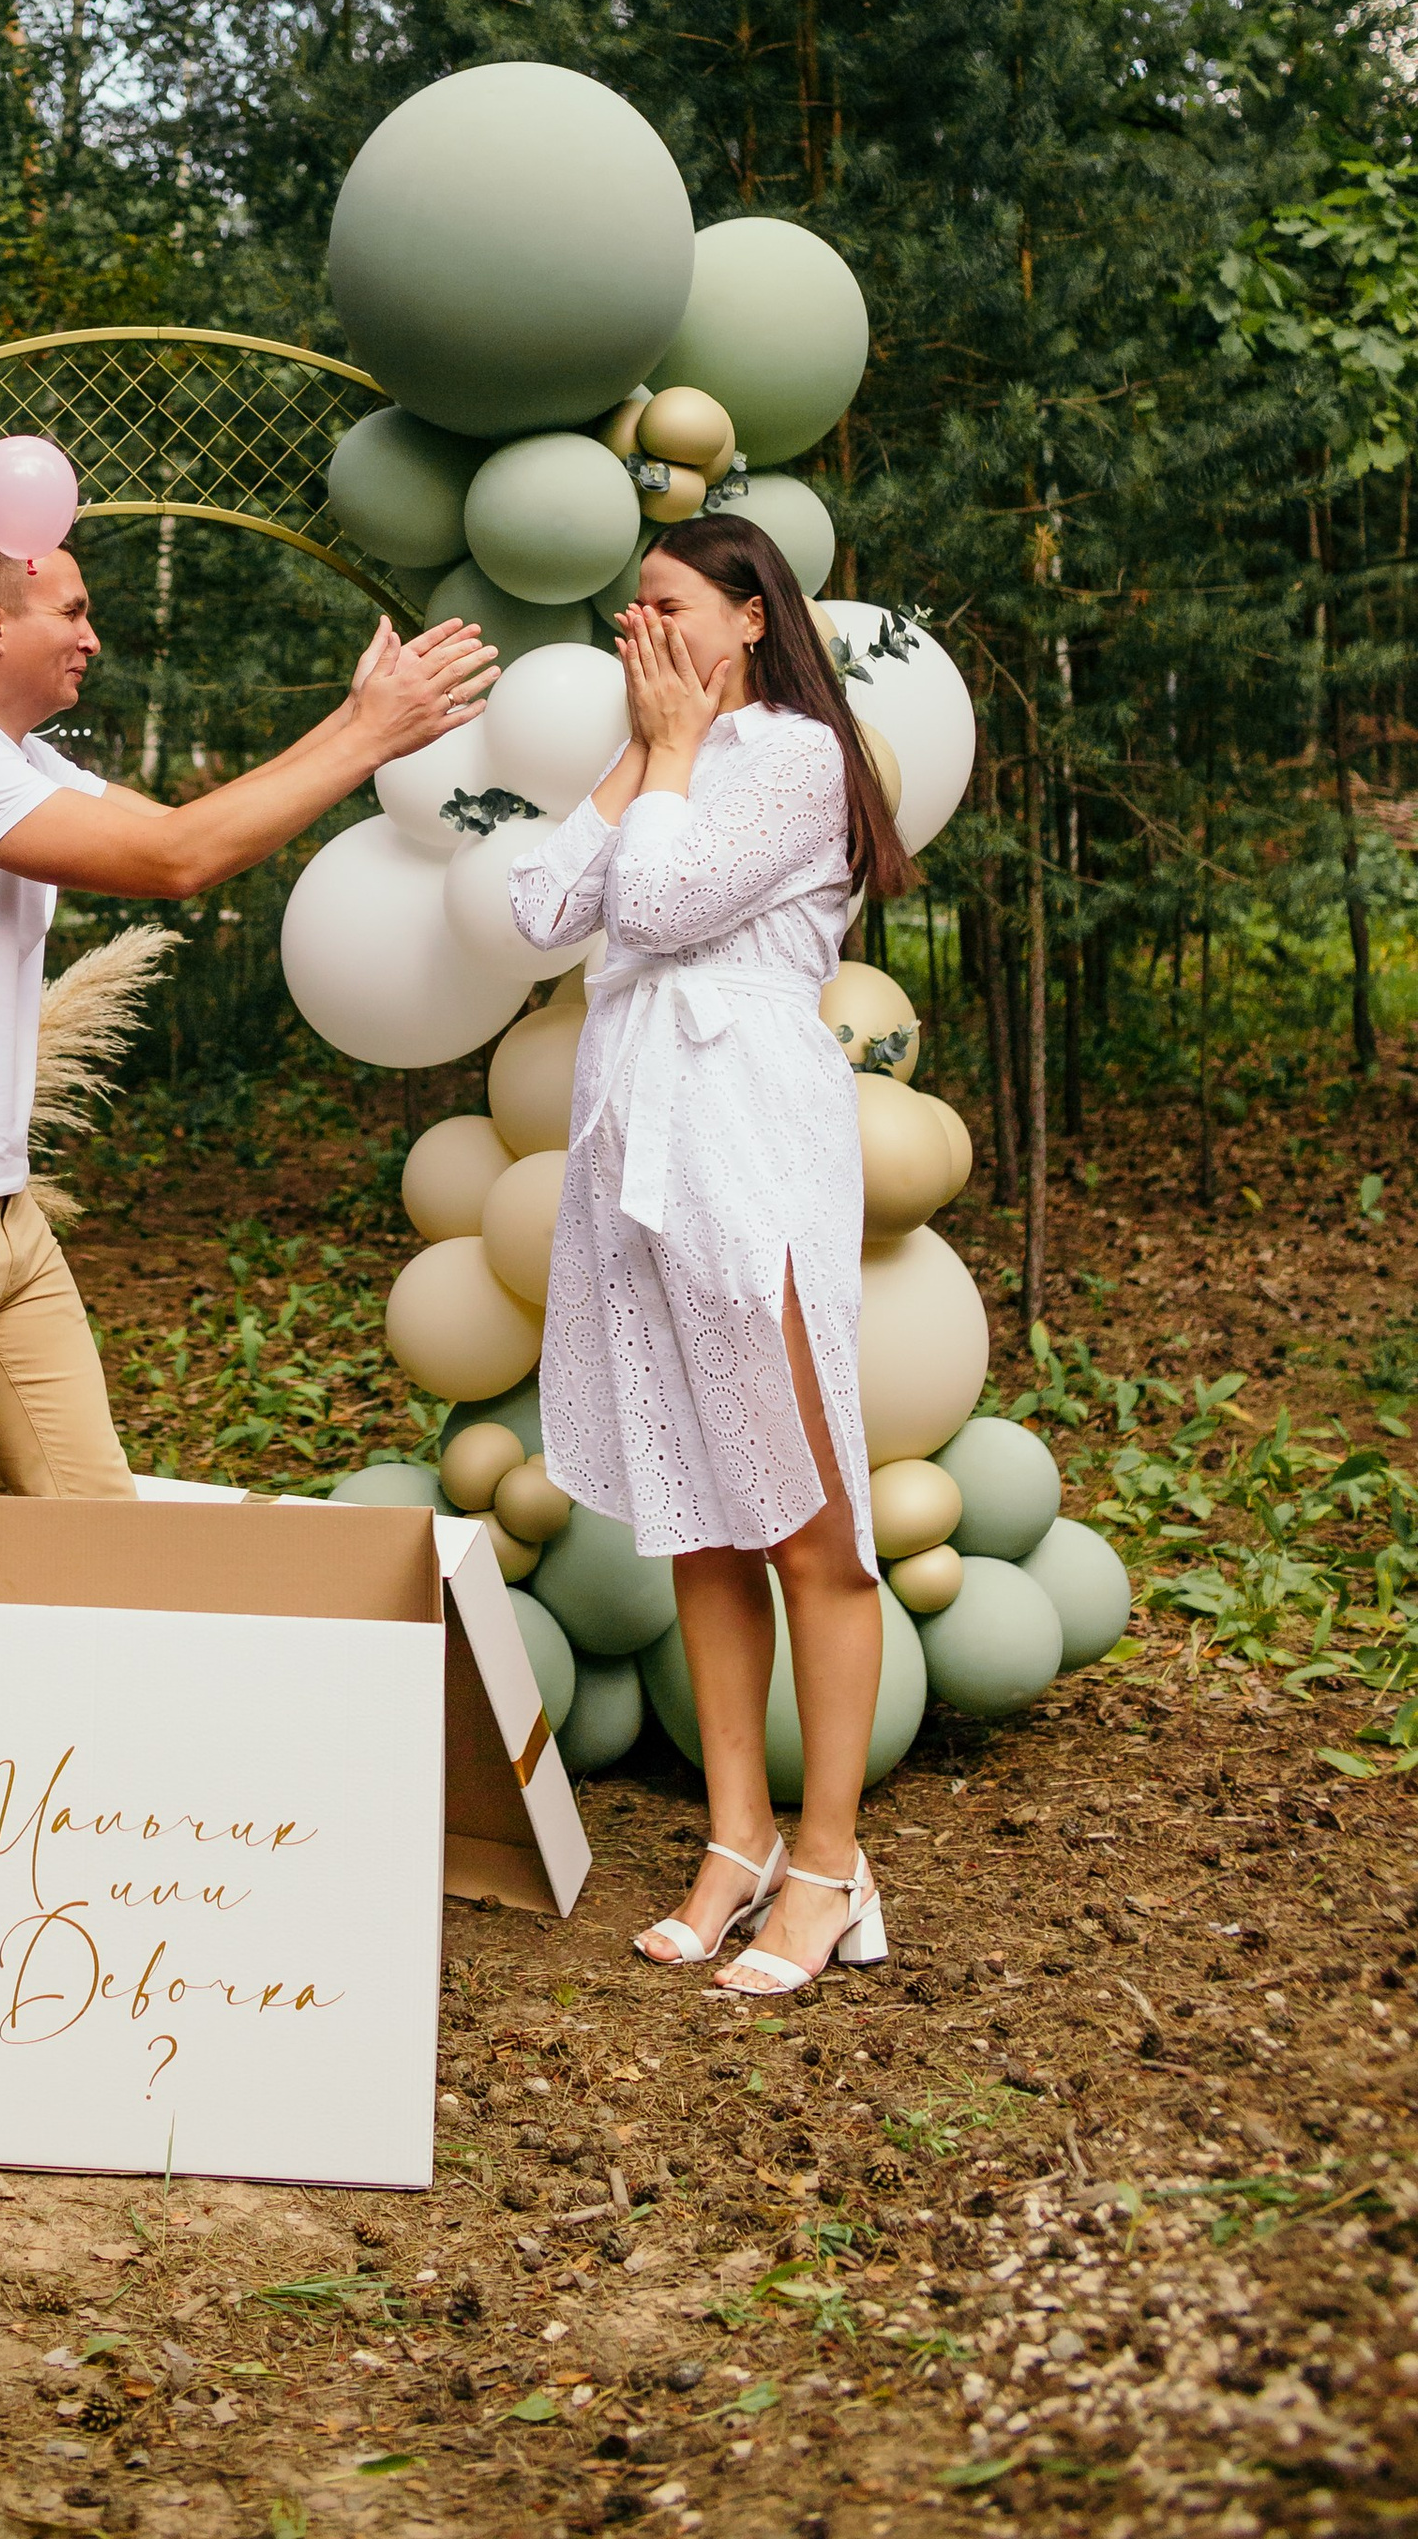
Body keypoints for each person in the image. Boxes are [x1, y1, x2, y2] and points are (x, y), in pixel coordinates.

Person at [0, 519, 497, 2027]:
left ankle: (74, 1838)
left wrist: (355, 718)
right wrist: (371, 731)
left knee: (90, 1521)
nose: (91, 634)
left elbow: (190, 829)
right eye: (69, 610)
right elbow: (182, 860)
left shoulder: (12, 769)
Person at [508, 511, 915, 2000]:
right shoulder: (663, 759)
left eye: (669, 607)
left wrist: (669, 760)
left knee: (806, 1513)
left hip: (747, 1146)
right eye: (629, 613)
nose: (642, 634)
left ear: (750, 617)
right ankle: (733, 1839)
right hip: (635, 1159)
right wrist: (634, 756)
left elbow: (667, 903)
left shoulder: (800, 758)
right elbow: (535, 907)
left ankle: (825, 1859)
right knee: (698, 1510)